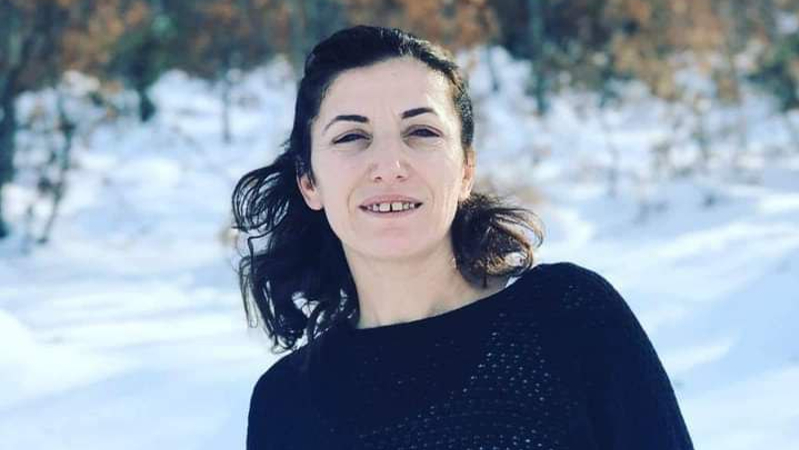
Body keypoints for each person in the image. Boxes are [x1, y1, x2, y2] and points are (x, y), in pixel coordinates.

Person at [232, 25, 695, 450]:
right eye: (352, 137)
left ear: (467, 169)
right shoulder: (284, 404)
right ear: (308, 181)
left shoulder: (568, 319)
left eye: (421, 131)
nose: (389, 165)